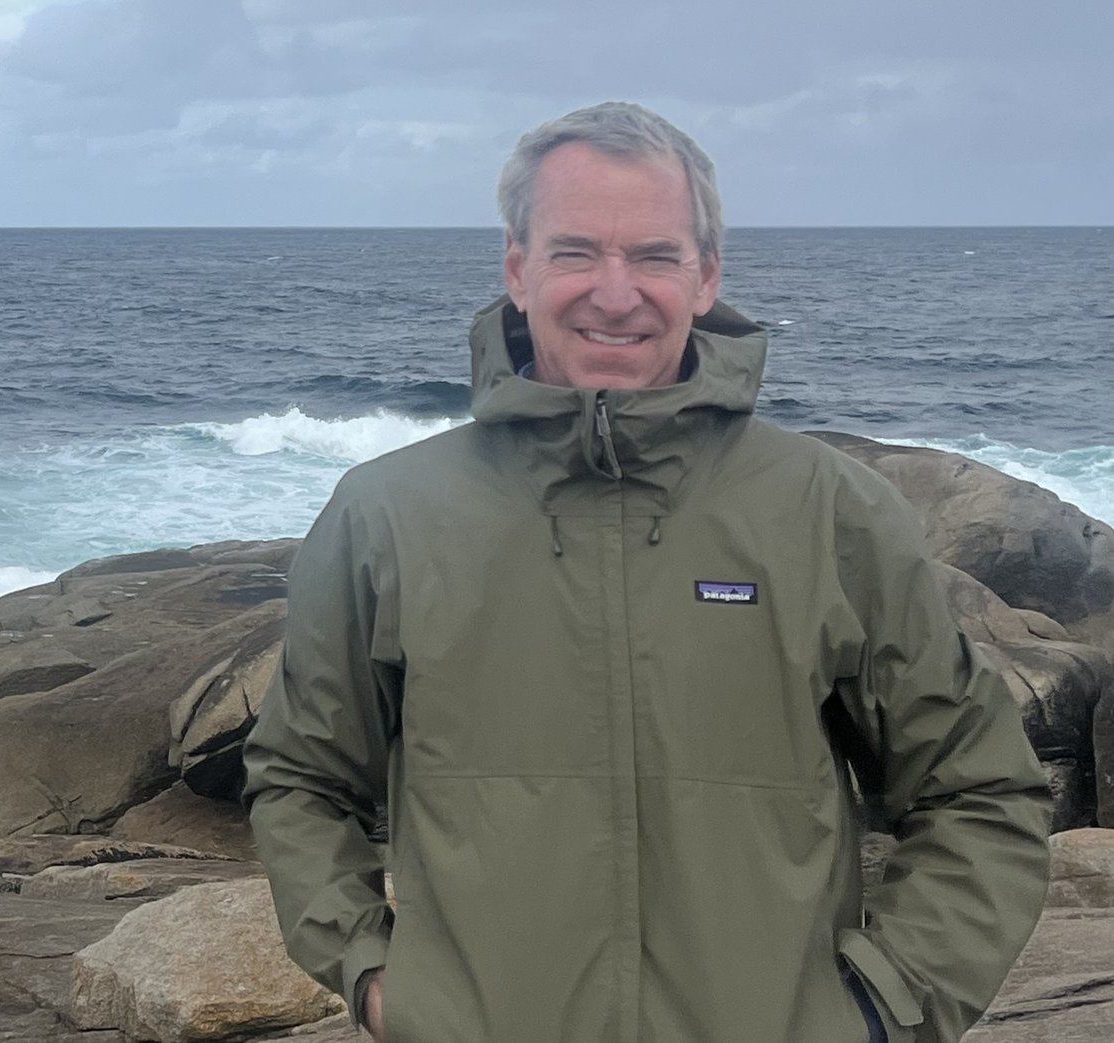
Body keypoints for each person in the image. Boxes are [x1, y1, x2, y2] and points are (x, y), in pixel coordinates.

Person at [244, 101, 1052, 1043]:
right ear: (518, 268)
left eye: (656, 255)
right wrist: (382, 978)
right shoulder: (387, 513)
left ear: (706, 275)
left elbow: (981, 790)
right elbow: (301, 777)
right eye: (576, 250)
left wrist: (880, 1008)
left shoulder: (831, 510)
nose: (615, 293)